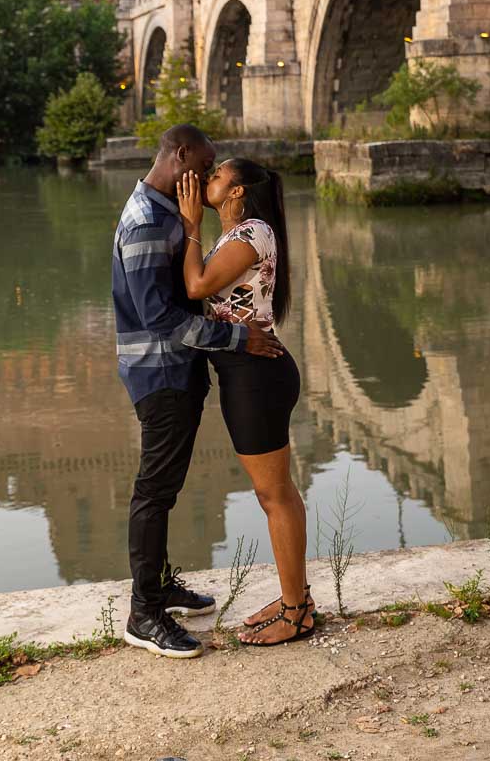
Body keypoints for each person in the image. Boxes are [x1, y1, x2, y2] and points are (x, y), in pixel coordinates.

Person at [112, 125, 282, 659]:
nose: (208, 177)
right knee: (154, 491)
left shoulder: (166, 215)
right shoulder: (145, 222)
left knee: (165, 487)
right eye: (205, 166)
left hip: (177, 371)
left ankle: (159, 587)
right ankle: (144, 614)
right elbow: (161, 318)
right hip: (159, 373)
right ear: (179, 155)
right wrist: (237, 337)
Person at [176, 158, 314, 647]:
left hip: (256, 376)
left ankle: (296, 612)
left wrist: (190, 221)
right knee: (278, 492)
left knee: (273, 495)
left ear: (235, 193)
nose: (206, 178)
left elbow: (197, 286)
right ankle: (297, 597)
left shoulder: (249, 235)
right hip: (253, 372)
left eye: (216, 175)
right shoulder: (245, 234)